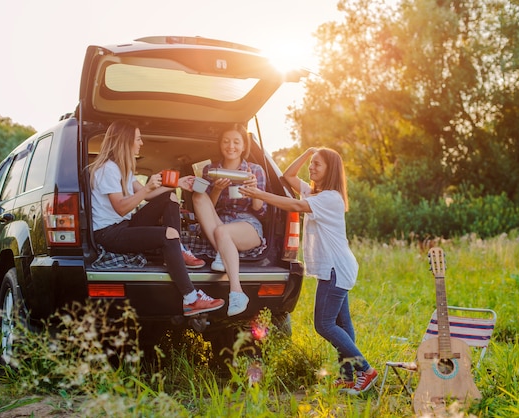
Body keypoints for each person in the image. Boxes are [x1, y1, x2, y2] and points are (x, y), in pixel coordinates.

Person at [239, 147, 378, 395]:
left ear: (330, 170)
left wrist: (259, 193)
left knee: (324, 324)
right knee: (341, 324)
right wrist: (307, 153)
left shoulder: (330, 198)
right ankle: (348, 377)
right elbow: (288, 177)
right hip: (335, 268)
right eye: (311, 164)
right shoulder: (315, 192)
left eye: (317, 165)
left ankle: (365, 371)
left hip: (336, 269)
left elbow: (293, 204)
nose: (311, 168)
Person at [89, 119, 224, 316]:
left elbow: (149, 195)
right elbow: (120, 208)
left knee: (168, 196)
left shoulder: (122, 168)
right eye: (138, 138)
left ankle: (177, 248)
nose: (141, 143)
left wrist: (177, 183)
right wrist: (146, 188)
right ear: (126, 142)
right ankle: (191, 299)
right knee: (168, 234)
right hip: (109, 234)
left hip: (124, 225)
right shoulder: (108, 169)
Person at [192, 123, 267, 316]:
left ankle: (237, 291)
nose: (231, 146)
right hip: (220, 221)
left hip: (247, 224)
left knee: (222, 231)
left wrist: (254, 189)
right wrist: (216, 189)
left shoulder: (255, 170)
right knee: (198, 197)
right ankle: (223, 251)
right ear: (220, 145)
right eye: (226, 141)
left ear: (243, 146)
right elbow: (209, 207)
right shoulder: (211, 169)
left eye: (236, 142)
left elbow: (259, 208)